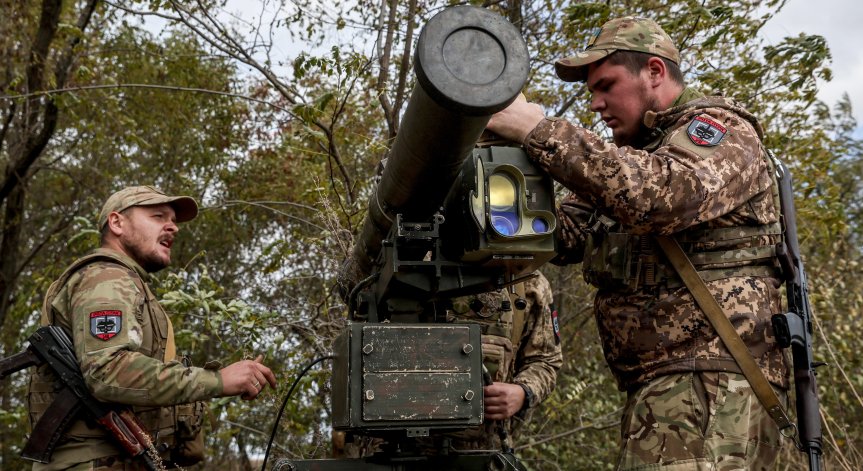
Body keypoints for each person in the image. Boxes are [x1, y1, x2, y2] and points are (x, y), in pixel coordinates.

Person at [487, 17, 790, 470]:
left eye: (606, 86)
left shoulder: (720, 130)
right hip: (668, 390)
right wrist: (500, 154)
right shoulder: (633, 161)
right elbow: (562, 236)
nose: (595, 104)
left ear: (654, 71)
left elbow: (661, 196)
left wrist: (541, 131)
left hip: (713, 385)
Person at [27, 186, 277, 470]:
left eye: (172, 220)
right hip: (93, 462)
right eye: (158, 216)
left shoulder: (127, 284)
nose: (173, 227)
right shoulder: (107, 278)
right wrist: (218, 380)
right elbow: (108, 371)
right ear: (117, 223)